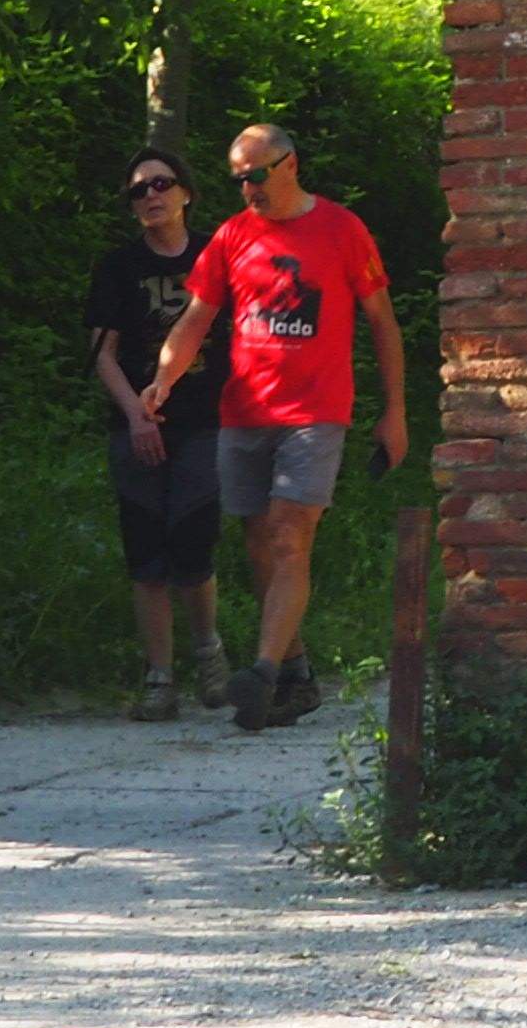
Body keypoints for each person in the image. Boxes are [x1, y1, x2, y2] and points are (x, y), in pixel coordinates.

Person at [147, 122, 412, 729]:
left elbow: (383, 322)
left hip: (315, 414)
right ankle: (295, 674)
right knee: (259, 543)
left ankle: (261, 673)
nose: (248, 189)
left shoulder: (343, 230)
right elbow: (195, 318)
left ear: (290, 164)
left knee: (292, 536)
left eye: (257, 175)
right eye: (238, 179)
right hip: (245, 411)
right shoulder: (233, 237)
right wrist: (165, 378)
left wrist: (393, 410)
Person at [88, 150, 228, 721]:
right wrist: (136, 415)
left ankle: (210, 658)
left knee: (193, 544)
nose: (150, 196)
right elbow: (103, 354)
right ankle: (159, 679)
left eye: (161, 184)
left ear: (186, 193)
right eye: (138, 191)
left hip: (205, 419)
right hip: (135, 423)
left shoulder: (215, 256)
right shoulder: (118, 268)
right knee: (145, 552)